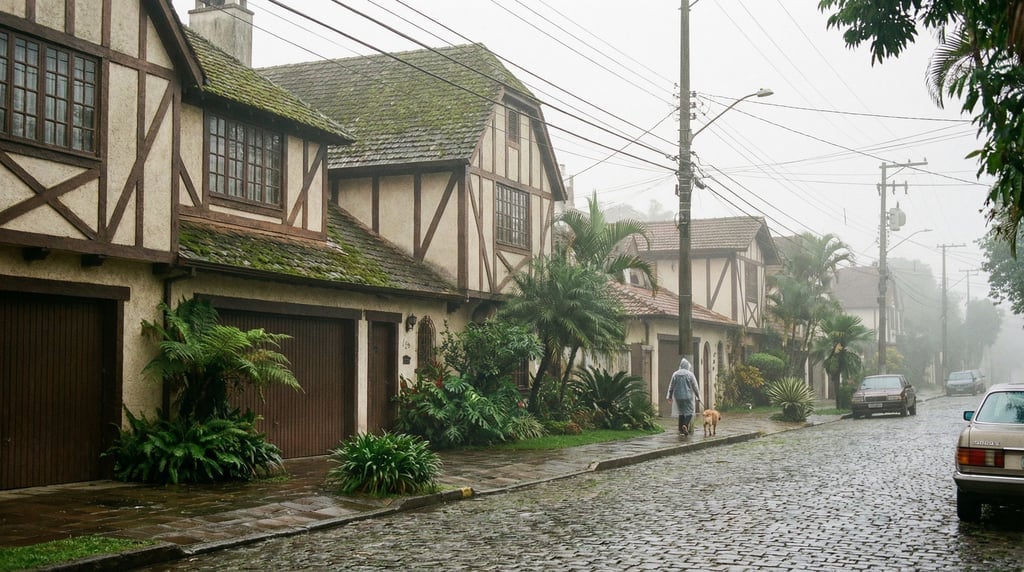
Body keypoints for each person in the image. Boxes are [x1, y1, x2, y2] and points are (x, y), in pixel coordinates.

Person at [666, 358, 701, 435]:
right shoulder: (690, 374)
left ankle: (680, 430)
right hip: (687, 396)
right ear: (687, 366)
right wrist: (698, 396)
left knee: (681, 412)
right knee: (690, 411)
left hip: (678, 396)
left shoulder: (675, 374)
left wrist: (669, 397)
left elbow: (671, 386)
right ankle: (685, 425)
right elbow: (695, 386)